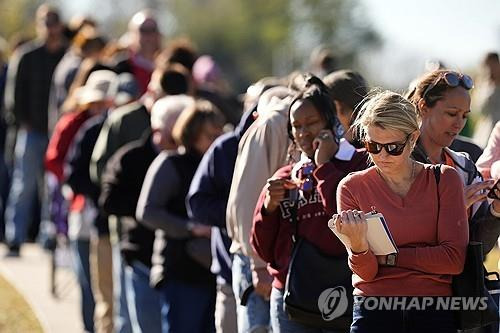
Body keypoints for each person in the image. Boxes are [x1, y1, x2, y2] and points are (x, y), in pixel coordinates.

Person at [333, 90, 468, 333]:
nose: (382, 156)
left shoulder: (444, 179)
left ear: (413, 138)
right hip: (373, 309)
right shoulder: (351, 187)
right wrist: (359, 248)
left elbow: (454, 260)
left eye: (393, 147)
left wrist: (391, 258)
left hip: (433, 310)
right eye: (373, 146)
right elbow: (367, 272)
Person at [251, 74, 368, 332]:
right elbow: (263, 250)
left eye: (311, 122)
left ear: (331, 121)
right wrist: (268, 209)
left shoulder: (359, 163)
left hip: (345, 290)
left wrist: (324, 166)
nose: (303, 132)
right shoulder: (284, 176)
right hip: (292, 297)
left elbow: (345, 216)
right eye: (296, 126)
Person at [99, 95, 192, 333]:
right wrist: (151, 206)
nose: (177, 141)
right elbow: (109, 200)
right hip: (140, 254)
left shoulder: (191, 160)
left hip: (181, 262)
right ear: (156, 129)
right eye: (172, 135)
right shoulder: (130, 159)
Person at [136, 100, 224, 332]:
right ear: (192, 133)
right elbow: (147, 211)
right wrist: (189, 228)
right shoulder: (171, 163)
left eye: (219, 134)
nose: (216, 141)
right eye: (209, 135)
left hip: (212, 272)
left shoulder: (219, 166)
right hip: (181, 270)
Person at [406, 70, 500, 256]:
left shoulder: (464, 166)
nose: (459, 124)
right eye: (451, 114)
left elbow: (478, 250)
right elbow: (398, 235)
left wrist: (496, 211)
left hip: (456, 284)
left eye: (465, 116)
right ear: (424, 107)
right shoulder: (396, 161)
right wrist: (452, 210)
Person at [226, 85, 294, 333]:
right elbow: (247, 200)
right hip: (258, 259)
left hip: (279, 258)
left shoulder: (285, 123)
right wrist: (257, 265)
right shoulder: (271, 125)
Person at [3, 3, 67, 256]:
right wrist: (24, 122)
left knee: (51, 187)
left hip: (56, 133)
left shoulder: (66, 56)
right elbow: (13, 97)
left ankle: (47, 236)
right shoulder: (27, 56)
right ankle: (15, 236)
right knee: (24, 185)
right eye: (46, 23)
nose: (50, 28)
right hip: (31, 131)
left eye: (54, 22)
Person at [187, 104, 256, 333]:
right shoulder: (225, 148)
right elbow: (197, 203)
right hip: (229, 272)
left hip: (277, 281)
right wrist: (240, 214)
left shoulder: (293, 142)